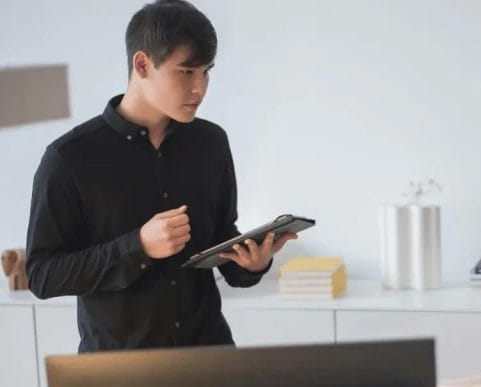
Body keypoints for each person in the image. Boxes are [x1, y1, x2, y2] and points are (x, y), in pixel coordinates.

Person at [25, 0, 295, 352]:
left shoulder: (211, 142)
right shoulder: (69, 158)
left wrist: (253, 265)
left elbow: (221, 236)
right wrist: (138, 246)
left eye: (206, 71)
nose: (200, 87)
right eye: (186, 72)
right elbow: (42, 275)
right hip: (121, 376)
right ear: (142, 64)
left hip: (210, 359)